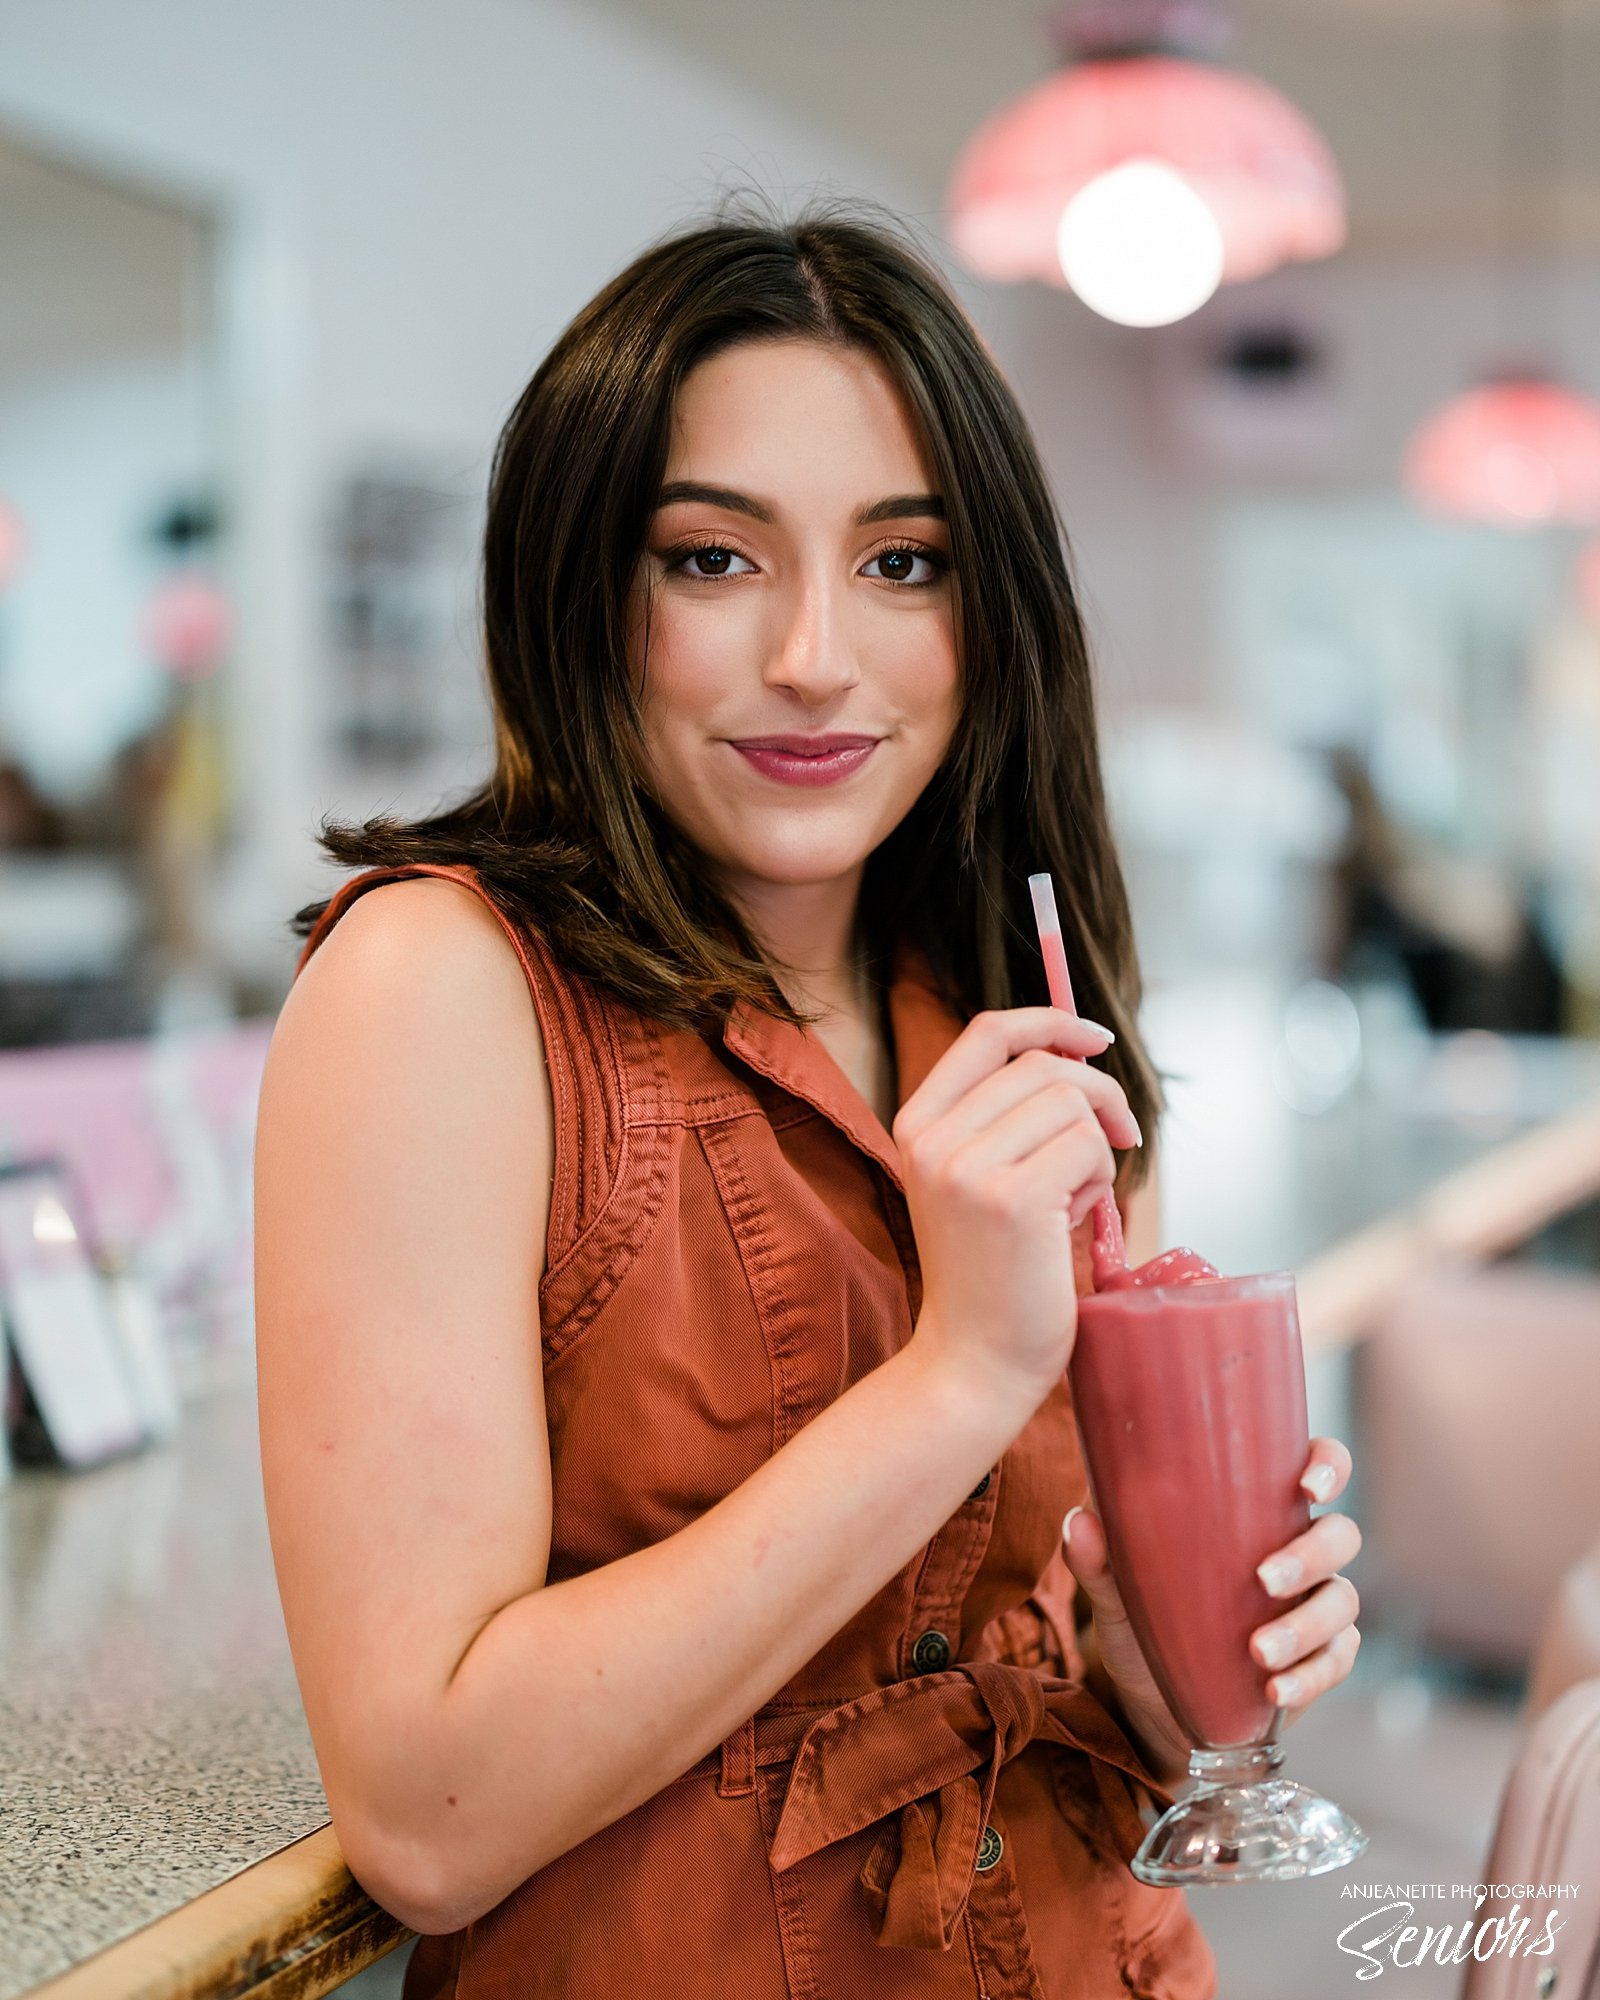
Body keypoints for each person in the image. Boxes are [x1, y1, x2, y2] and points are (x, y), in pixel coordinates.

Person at [253, 204, 1362, 2000]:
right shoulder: (439, 990)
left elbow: (1073, 1696)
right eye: (712, 559)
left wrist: (1179, 1672)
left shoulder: (1010, 1010)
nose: (814, 658)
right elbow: (428, 1812)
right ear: (581, 582)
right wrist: (958, 1375)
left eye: (905, 563)